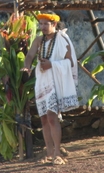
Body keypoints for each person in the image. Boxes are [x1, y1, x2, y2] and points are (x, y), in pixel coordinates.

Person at [21, 12, 78, 165]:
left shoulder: (62, 39)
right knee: (44, 119)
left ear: (54, 24)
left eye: (46, 24)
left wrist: (52, 64)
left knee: (52, 118)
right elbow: (30, 56)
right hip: (42, 82)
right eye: (41, 24)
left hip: (55, 82)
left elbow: (70, 61)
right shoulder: (39, 40)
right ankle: (49, 153)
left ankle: (58, 153)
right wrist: (27, 67)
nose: (43, 27)